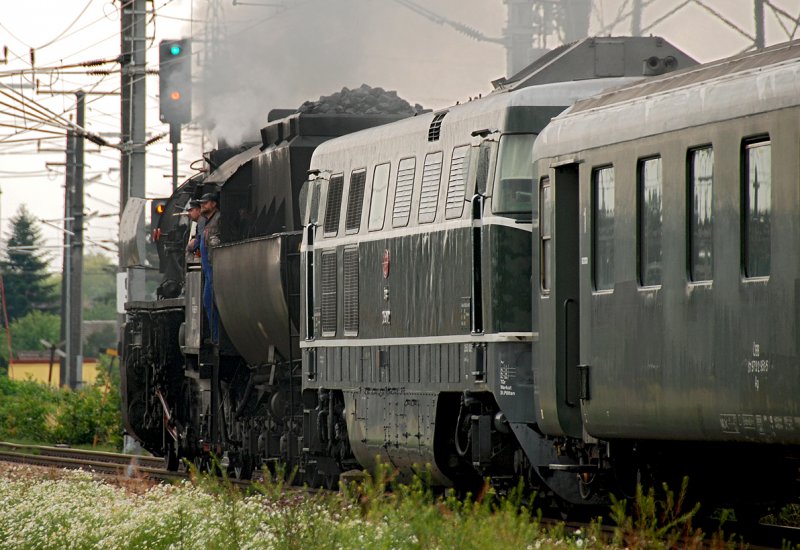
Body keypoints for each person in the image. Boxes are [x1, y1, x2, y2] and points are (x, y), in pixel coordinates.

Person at [198, 192, 221, 344]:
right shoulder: (207, 222)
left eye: (205, 203)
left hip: (214, 266)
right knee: (207, 301)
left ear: (213, 204)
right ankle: (215, 336)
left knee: (214, 301)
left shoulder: (219, 219)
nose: (202, 205)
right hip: (207, 267)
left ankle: (219, 337)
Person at [185, 199, 204, 264]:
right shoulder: (199, 222)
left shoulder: (202, 222)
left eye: (191, 210)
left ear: (198, 210)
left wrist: (194, 243)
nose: (189, 213)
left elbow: (201, 240)